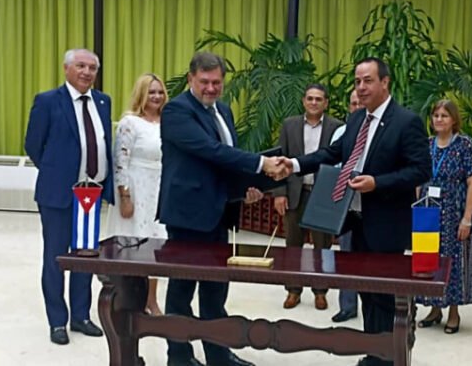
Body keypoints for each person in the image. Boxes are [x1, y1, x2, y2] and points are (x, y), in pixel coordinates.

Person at [277, 57, 432, 366]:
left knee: (384, 295)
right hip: (355, 221)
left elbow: (420, 170)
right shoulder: (357, 119)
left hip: (386, 224)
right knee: (366, 291)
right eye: (358, 81)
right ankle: (373, 352)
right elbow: (331, 153)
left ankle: (387, 357)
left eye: (368, 81)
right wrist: (293, 164)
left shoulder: (406, 121)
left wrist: (378, 183)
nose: (361, 87)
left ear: (385, 82)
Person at [158, 51, 281, 366]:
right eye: (205, 82)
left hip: (220, 212)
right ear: (190, 78)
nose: (211, 88)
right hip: (188, 216)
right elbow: (209, 150)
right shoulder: (176, 110)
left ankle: (218, 355)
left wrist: (246, 189)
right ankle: (179, 357)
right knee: (182, 290)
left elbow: (227, 160)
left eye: (217, 82)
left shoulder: (223, 110)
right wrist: (260, 163)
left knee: (215, 290)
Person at [24, 48, 113, 345]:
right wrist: (57, 172)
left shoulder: (103, 101)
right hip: (58, 194)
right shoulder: (48, 101)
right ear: (66, 68)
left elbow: (103, 141)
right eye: (80, 66)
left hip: (91, 195)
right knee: (56, 257)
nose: (87, 72)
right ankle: (57, 321)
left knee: (85, 257)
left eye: (92, 68)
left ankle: (81, 316)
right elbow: (33, 145)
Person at [273, 84, 343, 311]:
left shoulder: (337, 128)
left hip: (322, 194)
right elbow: (280, 159)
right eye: (310, 98)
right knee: (293, 245)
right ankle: (293, 290)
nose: (314, 102)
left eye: (318, 99)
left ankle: (320, 291)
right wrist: (279, 193)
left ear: (326, 103)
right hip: (296, 193)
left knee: (323, 246)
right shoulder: (289, 125)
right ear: (303, 101)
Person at [416, 100, 472, 335]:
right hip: (427, 212)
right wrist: (416, 207)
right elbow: (419, 177)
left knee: (452, 261)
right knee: (429, 260)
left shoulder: (464, 145)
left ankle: (454, 312)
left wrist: (467, 218)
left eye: (444, 115)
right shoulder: (427, 145)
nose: (439, 119)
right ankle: (434, 308)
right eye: (436, 115)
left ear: (454, 119)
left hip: (454, 212)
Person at [107, 73, 168, 316]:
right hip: (136, 188)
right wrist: (125, 197)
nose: (156, 96)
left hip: (160, 189)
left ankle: (151, 300)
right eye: (151, 92)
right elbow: (120, 162)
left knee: (157, 243)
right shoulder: (129, 123)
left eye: (160, 92)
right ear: (142, 94)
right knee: (134, 243)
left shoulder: (168, 123)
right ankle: (128, 300)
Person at [330, 90, 364, 324]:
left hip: (373, 207)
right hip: (347, 207)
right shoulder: (341, 133)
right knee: (346, 258)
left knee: (375, 261)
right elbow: (332, 165)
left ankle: (376, 305)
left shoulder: (382, 130)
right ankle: (348, 306)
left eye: (361, 103)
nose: (357, 108)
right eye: (353, 104)